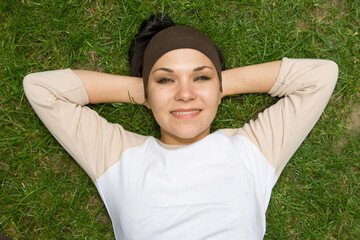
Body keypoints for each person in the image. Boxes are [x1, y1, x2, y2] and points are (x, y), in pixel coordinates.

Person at [23, 14, 338, 239]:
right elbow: (42, 89)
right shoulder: (118, 158)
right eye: (165, 79)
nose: (185, 93)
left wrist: (212, 87)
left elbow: (320, 76)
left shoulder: (252, 151)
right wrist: (150, 92)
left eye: (200, 77)